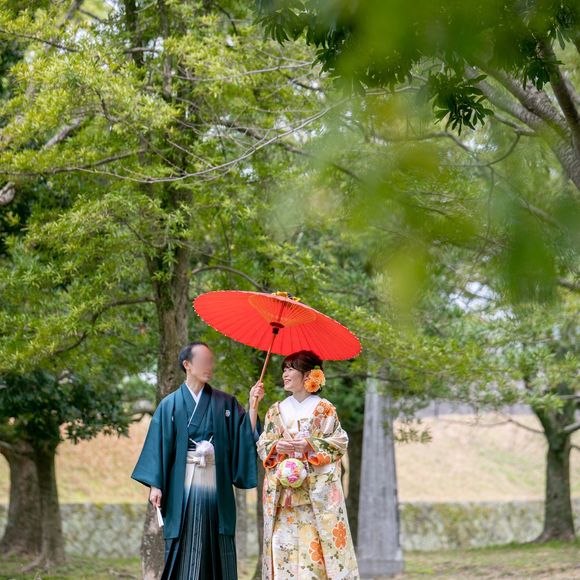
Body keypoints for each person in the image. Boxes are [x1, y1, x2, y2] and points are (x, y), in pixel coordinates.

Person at [131, 341, 264, 579]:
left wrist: (253, 406)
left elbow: (244, 436)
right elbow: (157, 445)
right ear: (187, 365)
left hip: (215, 485)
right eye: (203, 361)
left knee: (217, 542)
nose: (208, 366)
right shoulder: (170, 404)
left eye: (210, 361)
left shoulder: (226, 403)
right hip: (182, 485)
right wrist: (155, 485)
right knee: (185, 541)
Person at [257, 350, 359, 579]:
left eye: (290, 369)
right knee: (282, 553)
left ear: (308, 375)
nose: (285, 374)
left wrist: (310, 445)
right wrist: (276, 447)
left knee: (313, 559)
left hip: (314, 499)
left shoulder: (324, 409)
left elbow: (339, 442)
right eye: (284, 369)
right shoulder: (275, 410)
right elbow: (263, 444)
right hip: (283, 498)